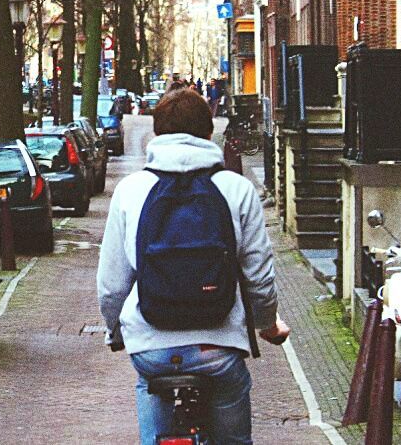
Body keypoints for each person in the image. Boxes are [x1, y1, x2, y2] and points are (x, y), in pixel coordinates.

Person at [97, 89, 289, 445]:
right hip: (217, 350)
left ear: (157, 132)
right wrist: (266, 324)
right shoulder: (237, 189)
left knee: (150, 402)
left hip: (151, 349)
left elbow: (112, 283)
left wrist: (115, 332)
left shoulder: (131, 190)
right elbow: (259, 276)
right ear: (207, 131)